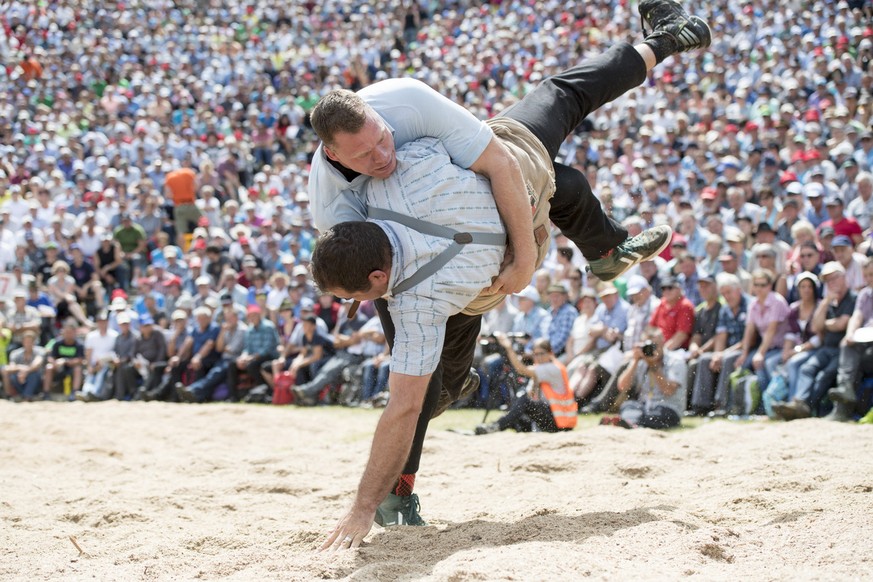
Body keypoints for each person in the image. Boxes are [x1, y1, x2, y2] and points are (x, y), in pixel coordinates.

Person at [311, 0, 712, 550]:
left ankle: (661, 44)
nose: (384, 156)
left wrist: (523, 260)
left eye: (384, 138)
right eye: (365, 155)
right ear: (333, 155)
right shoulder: (336, 208)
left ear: (382, 118)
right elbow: (359, 275)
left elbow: (498, 160)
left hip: (501, 190)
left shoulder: (410, 110)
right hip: (421, 277)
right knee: (423, 382)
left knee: (563, 137)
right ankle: (402, 480)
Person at [773, 262, 856, 420]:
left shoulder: (852, 298)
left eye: (834, 278)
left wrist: (826, 324)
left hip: (844, 351)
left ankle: (806, 409)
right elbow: (816, 327)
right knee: (806, 368)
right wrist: (825, 303)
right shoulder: (829, 302)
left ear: (844, 277)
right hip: (826, 349)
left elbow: (841, 324)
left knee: (823, 376)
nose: (831, 283)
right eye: (828, 280)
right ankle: (799, 404)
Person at [474, 336, 577, 435]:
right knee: (517, 413)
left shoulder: (553, 368)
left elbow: (521, 370)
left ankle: (496, 426)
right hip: (553, 419)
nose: (539, 357)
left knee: (525, 402)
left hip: (561, 423)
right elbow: (530, 395)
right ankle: (496, 427)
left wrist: (509, 348)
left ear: (550, 353)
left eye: (542, 353)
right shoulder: (540, 369)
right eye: (536, 354)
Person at [614, 327, 686, 429]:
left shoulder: (675, 361)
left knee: (658, 414)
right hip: (644, 406)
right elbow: (622, 387)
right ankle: (633, 422)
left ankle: (631, 422)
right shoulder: (641, 360)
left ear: (663, 342)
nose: (652, 349)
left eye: (655, 345)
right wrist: (634, 361)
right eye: (649, 346)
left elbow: (668, 390)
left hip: (667, 407)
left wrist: (654, 366)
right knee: (628, 405)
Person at [2, 330, 45, 401]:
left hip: (36, 381)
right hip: (19, 379)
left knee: (34, 374)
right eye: (26, 341)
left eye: (30, 341)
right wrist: (21, 369)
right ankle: (11, 395)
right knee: (11, 373)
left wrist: (25, 372)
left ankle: (26, 396)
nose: (28, 344)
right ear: (23, 342)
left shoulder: (40, 351)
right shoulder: (15, 353)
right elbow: (11, 367)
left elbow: (36, 364)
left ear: (34, 342)